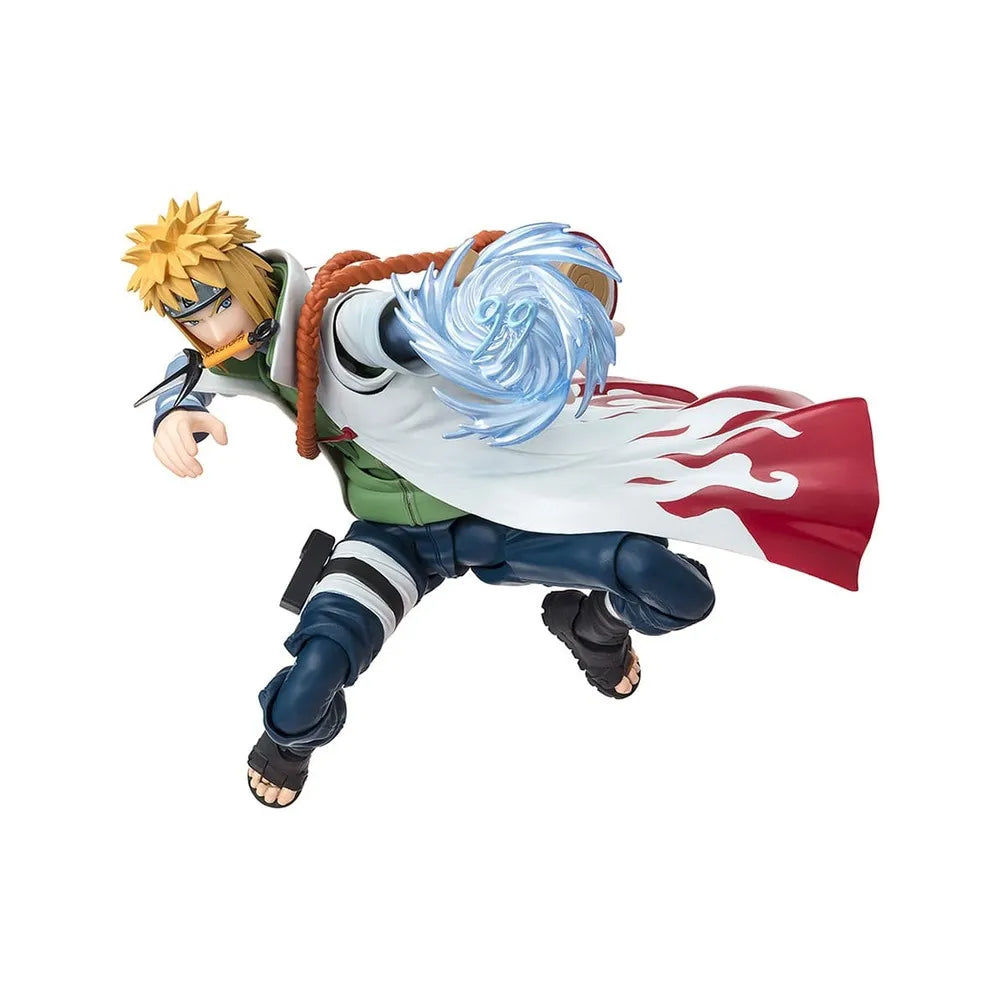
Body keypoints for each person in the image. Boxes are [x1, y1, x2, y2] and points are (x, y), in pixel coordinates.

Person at [125, 195, 876, 807]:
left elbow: (405, 326)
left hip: (493, 512)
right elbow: (190, 371)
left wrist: (518, 316)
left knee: (674, 588)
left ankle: (594, 625)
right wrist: (173, 412)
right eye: (188, 316)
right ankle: (287, 749)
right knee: (302, 695)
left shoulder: (338, 321)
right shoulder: (249, 348)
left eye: (211, 307)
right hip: (390, 538)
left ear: (247, 284)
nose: (204, 328)